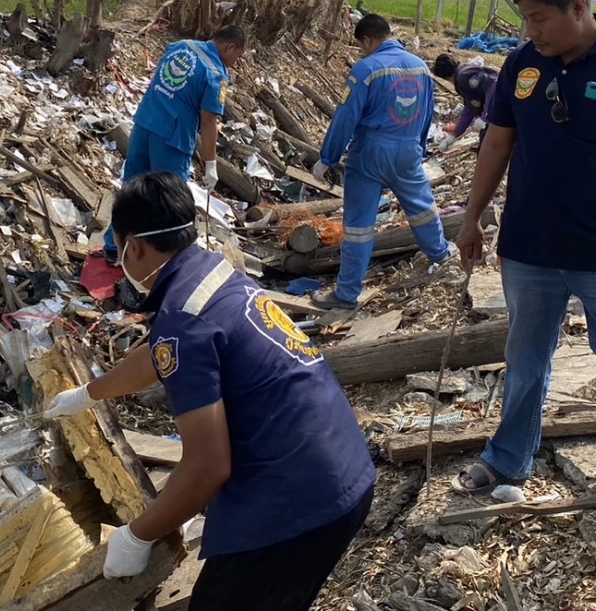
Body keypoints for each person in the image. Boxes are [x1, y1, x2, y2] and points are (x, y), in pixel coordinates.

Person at [45, 172, 376, 609]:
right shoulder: (211, 276)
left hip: (294, 504)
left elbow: (208, 466)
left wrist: (136, 535)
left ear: (135, 246)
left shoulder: (183, 321)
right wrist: (89, 392)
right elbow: (155, 357)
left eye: (119, 248)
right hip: (341, 471)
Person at [451, 0, 596, 524]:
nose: (532, 32)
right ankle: (506, 460)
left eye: (540, 19)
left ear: (579, 8)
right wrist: (472, 216)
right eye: (526, 21)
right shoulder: (523, 63)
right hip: (530, 246)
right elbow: (497, 144)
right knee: (525, 359)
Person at [309, 14, 450, 310]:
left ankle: (347, 295)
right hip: (408, 149)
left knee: (359, 226)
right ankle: (443, 258)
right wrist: (419, 148)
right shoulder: (421, 67)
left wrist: (328, 158)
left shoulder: (366, 69)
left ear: (367, 40)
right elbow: (427, 114)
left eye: (362, 46)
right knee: (423, 210)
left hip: (371, 152)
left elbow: (346, 116)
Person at [100, 26, 247, 265]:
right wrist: (211, 165)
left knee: (131, 190)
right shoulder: (215, 74)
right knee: (170, 200)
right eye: (236, 57)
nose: (234, 63)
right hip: (172, 137)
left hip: (144, 124)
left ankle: (114, 248)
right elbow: (209, 121)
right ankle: (170, 261)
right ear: (229, 47)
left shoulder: (181, 46)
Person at [431, 53, 498, 151]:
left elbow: (494, 85)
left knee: (489, 151)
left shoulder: (464, 76)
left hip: (503, 113)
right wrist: (453, 136)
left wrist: (485, 116)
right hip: (496, 114)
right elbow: (469, 110)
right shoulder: (464, 76)